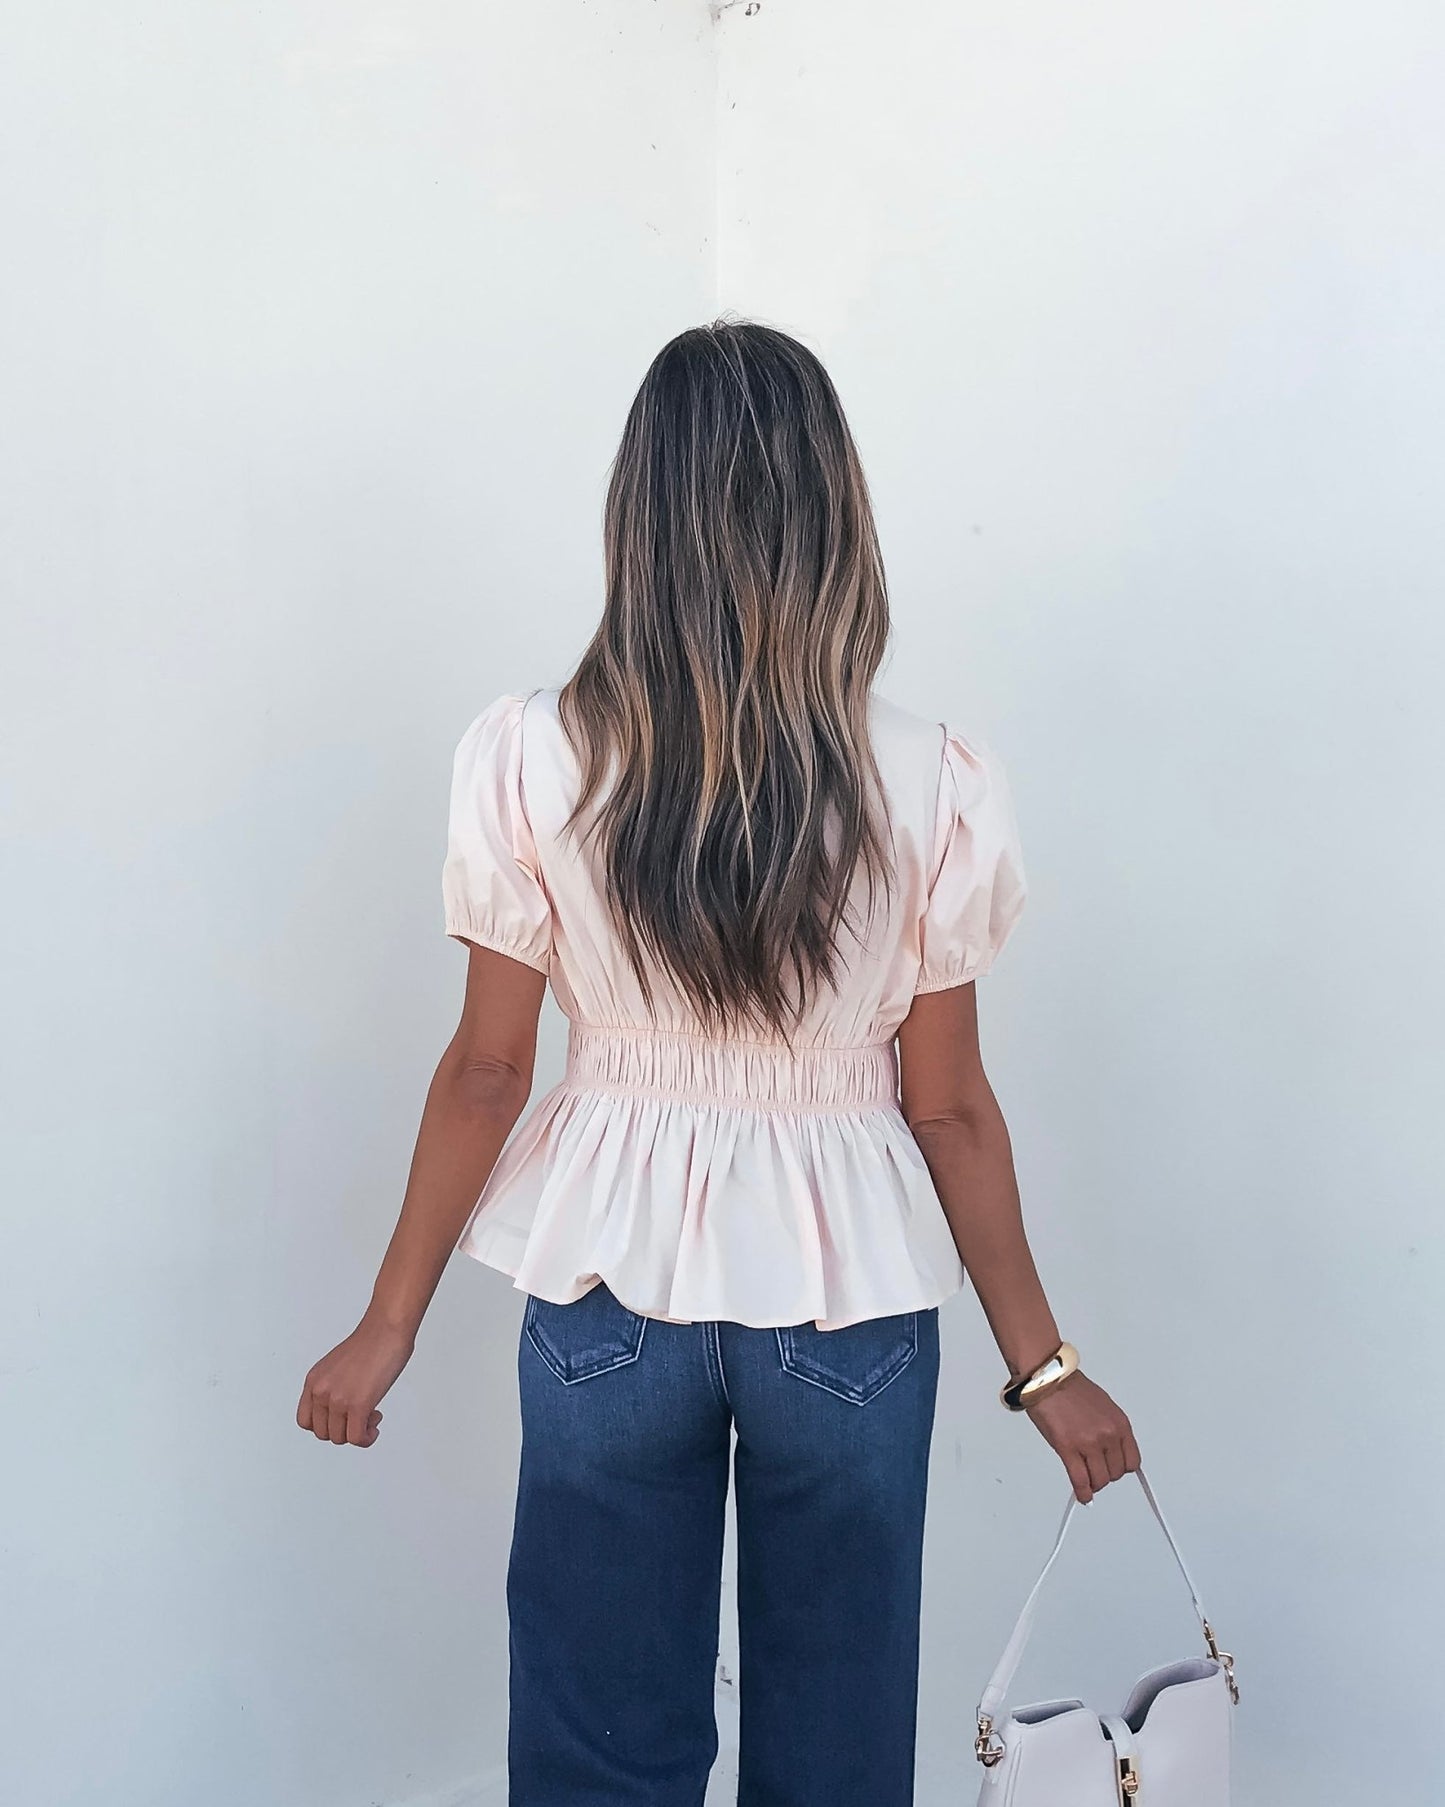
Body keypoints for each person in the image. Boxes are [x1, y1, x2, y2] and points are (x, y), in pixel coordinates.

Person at [297, 320, 1139, 1806]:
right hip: (853, 1305)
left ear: (639, 514)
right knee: (837, 1741)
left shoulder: (530, 756)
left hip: (602, 1279)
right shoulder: (930, 777)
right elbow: (945, 1106)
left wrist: (387, 1324)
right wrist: (1045, 1368)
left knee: (597, 1740)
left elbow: (488, 1074)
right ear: (834, 513)